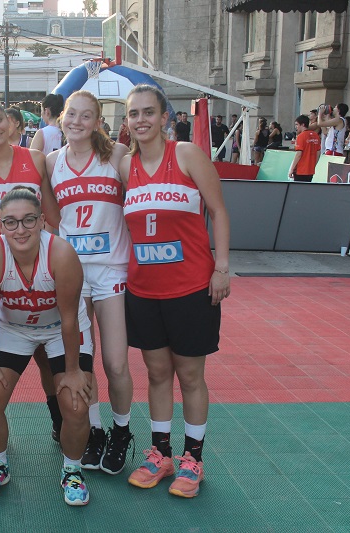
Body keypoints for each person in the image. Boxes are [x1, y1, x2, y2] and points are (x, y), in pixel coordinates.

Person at [119, 84, 230, 498]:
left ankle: (194, 458)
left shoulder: (185, 154)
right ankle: (161, 453)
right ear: (126, 121)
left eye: (149, 112)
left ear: (166, 117)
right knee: (157, 372)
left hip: (191, 287)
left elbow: (218, 210)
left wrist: (222, 268)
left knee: (190, 375)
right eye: (134, 114)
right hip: (144, 291)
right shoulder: (123, 166)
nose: (141, 120)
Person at [0, 186, 93, 506]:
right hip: (14, 329)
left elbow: (69, 318)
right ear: (0, 225)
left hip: (60, 330)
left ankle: (73, 470)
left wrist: (72, 371)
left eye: (28, 220)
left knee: (77, 403)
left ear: (42, 221)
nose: (20, 229)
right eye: (11, 222)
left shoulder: (62, 254)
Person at [0, 97, 63, 443]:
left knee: (46, 354)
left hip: (34, 270)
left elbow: (51, 217)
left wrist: (57, 264)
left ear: (12, 122)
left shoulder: (35, 160)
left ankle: (59, 419)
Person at [43, 90, 135, 474]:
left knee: (115, 363)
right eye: (71, 115)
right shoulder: (51, 162)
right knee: (81, 360)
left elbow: (143, 199)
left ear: (98, 122)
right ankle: (94, 430)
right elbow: (49, 217)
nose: (76, 122)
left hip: (111, 269)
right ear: (61, 117)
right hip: (72, 274)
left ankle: (121, 431)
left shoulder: (116, 156)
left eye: (86, 116)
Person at [288, 115, 321, 182]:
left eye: (297, 124)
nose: (296, 127)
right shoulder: (316, 136)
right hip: (310, 170)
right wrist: (313, 165)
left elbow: (298, 154)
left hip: (300, 170)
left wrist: (291, 169)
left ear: (302, 124)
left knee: (298, 190)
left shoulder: (300, 136)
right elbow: (318, 153)